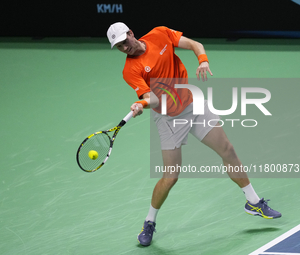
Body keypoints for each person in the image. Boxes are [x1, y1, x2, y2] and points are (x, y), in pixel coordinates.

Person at [106, 22, 281, 246]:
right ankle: (149, 221)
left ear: (131, 33)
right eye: (118, 46)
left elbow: (195, 44)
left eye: (124, 41)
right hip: (169, 118)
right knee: (171, 177)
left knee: (227, 150)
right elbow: (154, 99)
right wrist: (141, 104)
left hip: (193, 105)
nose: (124, 48)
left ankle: (253, 202)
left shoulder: (160, 34)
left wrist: (203, 60)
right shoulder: (130, 70)